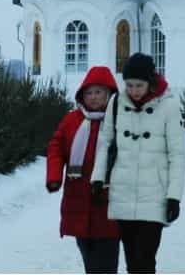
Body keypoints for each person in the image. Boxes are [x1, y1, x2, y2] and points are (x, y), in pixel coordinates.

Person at [91, 53, 185, 274]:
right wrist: (97, 178)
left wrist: (174, 196)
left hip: (154, 194)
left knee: (145, 260)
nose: (133, 91)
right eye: (129, 85)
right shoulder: (116, 103)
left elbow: (177, 154)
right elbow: (105, 142)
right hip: (122, 192)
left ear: (150, 82)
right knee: (132, 260)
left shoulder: (169, 106)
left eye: (139, 85)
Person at [47, 66, 120, 273]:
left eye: (99, 92)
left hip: (108, 203)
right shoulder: (72, 120)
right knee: (89, 260)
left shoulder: (119, 120)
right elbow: (56, 147)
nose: (94, 98)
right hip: (78, 201)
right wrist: (54, 176)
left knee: (106, 262)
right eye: (89, 93)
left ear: (109, 94)